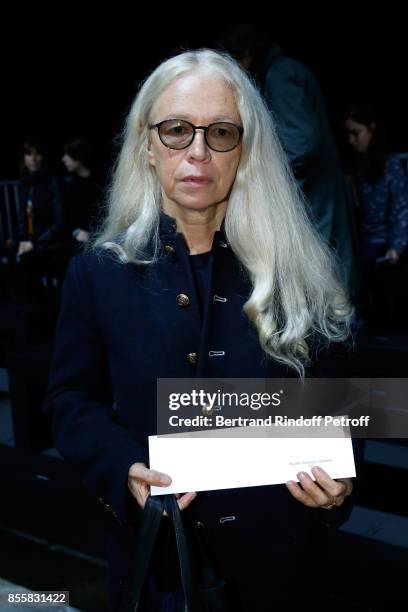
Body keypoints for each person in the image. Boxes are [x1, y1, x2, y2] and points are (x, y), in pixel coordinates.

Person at [43, 49, 361, 611]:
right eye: (175, 130)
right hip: (156, 570)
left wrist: (339, 482)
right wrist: (122, 469)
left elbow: (337, 407)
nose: (197, 152)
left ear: (246, 150)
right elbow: (71, 399)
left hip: (281, 571)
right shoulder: (97, 273)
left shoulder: (302, 274)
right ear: (146, 144)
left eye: (220, 132)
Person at [217, 24, 359, 297]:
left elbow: (301, 142)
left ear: (246, 54)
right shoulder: (286, 70)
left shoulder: (280, 75)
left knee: (324, 263)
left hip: (313, 190)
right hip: (319, 186)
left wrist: (273, 188)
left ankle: (335, 327)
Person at [344, 103, 408, 268]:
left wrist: (396, 247)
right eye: (348, 134)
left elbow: (401, 210)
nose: (350, 140)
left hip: (386, 247)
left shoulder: (391, 166)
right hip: (361, 245)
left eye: (356, 133)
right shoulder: (355, 167)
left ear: (371, 130)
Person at [13, 138, 63, 297]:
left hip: (48, 242)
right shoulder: (24, 184)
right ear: (23, 158)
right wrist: (22, 240)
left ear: (43, 157)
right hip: (30, 241)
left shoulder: (52, 181)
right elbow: (22, 218)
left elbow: (59, 222)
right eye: (28, 154)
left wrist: (34, 243)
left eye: (37, 154)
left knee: (25, 265)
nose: (33, 159)